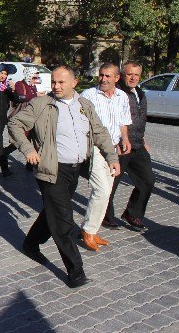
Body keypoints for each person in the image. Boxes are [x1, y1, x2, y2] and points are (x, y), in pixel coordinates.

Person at [8, 65, 119, 288]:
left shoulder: (84, 106)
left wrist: (111, 157)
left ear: (74, 83)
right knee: (63, 219)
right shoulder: (41, 104)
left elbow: (99, 132)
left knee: (53, 211)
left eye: (61, 82)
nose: (56, 87)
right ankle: (75, 272)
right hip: (50, 169)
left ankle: (31, 243)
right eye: (54, 82)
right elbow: (15, 123)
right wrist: (28, 149)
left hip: (74, 169)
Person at [79, 63, 132, 251]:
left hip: (114, 150)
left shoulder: (122, 97)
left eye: (108, 76)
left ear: (117, 78)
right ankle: (87, 231)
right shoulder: (88, 95)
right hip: (95, 148)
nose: (103, 79)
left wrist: (124, 139)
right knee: (101, 190)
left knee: (106, 192)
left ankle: (92, 230)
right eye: (101, 75)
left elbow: (123, 121)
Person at [103, 61, 155, 232]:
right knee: (112, 184)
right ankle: (105, 216)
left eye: (136, 75)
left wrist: (144, 139)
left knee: (147, 180)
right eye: (129, 74)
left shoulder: (140, 92)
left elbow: (141, 119)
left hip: (138, 144)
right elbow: (111, 118)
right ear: (122, 75)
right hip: (120, 145)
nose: (133, 78)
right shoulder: (116, 93)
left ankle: (132, 213)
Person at [12, 66, 45, 171]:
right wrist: (36, 95)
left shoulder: (33, 86)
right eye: (34, 77)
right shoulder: (20, 84)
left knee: (34, 138)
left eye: (37, 77)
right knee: (21, 139)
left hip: (33, 116)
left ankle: (30, 165)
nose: (36, 79)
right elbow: (21, 97)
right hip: (23, 116)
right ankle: (3, 154)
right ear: (29, 76)